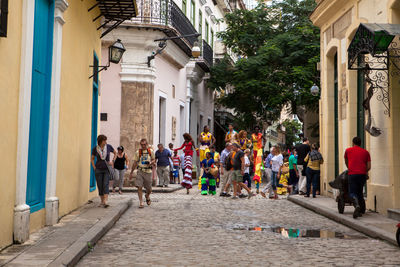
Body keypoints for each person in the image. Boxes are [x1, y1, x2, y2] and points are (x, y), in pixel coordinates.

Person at [344, 137, 371, 219]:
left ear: (353, 143)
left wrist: (349, 167)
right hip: (362, 174)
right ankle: (360, 209)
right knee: (360, 192)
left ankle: (356, 205)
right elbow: (369, 166)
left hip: (352, 174)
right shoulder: (366, 152)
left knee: (352, 192)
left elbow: (346, 160)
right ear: (360, 143)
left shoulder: (348, 150)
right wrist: (364, 170)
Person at [129, 138, 155, 208]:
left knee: (149, 189)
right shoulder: (138, 152)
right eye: (142, 144)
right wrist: (131, 172)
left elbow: (154, 160)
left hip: (148, 172)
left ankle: (147, 195)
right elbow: (134, 163)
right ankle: (141, 202)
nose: (143, 146)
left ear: (147, 144)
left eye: (144, 144)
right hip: (140, 171)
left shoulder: (150, 151)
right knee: (139, 187)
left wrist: (151, 162)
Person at [91, 135, 116, 208]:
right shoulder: (95, 149)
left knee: (105, 184)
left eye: (106, 140)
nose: (106, 142)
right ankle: (102, 201)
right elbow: (92, 158)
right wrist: (94, 167)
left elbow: (115, 153)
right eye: (104, 140)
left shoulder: (108, 147)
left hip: (106, 169)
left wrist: (113, 161)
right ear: (100, 141)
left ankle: (105, 201)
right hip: (98, 169)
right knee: (100, 185)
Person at [251, 126, 265, 193]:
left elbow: (265, 139)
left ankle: (257, 186)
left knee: (257, 168)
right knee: (255, 168)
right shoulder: (252, 135)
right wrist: (251, 144)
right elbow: (251, 142)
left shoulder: (260, 135)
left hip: (259, 150)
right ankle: (257, 186)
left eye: (257, 129)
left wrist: (263, 145)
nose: (256, 130)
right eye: (255, 129)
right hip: (254, 151)